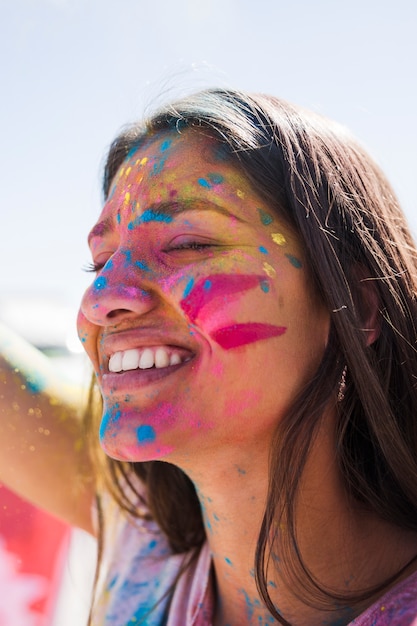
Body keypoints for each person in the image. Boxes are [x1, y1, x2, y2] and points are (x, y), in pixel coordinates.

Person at [1, 88, 417, 626]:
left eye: (187, 243)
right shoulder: (146, 544)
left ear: (356, 306)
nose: (102, 298)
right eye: (101, 261)